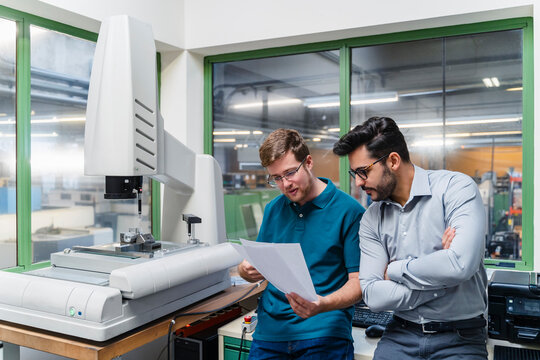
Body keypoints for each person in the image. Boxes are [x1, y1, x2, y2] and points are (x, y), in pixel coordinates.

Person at [333, 116, 488, 360]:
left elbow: (459, 265)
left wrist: (395, 270)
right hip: (400, 335)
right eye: (354, 173)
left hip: (461, 337)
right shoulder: (372, 218)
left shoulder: (456, 189)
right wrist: (442, 275)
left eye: (363, 171)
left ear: (393, 160)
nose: (358, 182)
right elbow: (372, 294)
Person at [238, 128, 365, 359]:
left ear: (308, 162)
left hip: (324, 330)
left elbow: (358, 284)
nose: (285, 184)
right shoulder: (273, 209)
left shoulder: (349, 211)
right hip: (270, 332)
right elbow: (257, 267)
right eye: (276, 178)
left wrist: (322, 304)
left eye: (289, 173)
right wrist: (245, 270)